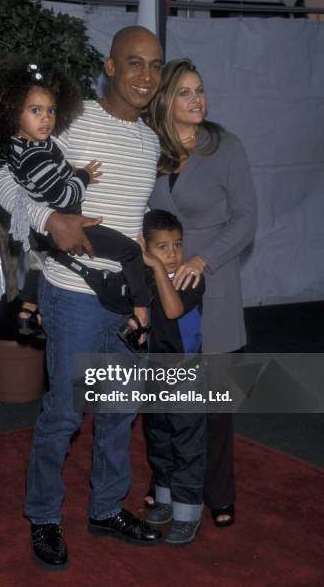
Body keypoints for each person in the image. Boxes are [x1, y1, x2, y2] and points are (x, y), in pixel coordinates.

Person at [0, 26, 164, 570]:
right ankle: (44, 518)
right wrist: (51, 221)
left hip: (124, 301)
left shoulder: (150, 141)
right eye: (134, 63)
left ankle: (106, 508)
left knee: (119, 413)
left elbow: (126, 216)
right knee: (63, 415)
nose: (146, 76)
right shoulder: (72, 119)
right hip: (73, 295)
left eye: (156, 66)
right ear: (109, 67)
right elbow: (2, 181)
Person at [147, 58, 257, 527]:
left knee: (213, 408)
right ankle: (167, 485)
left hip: (213, 287)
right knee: (167, 403)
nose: (198, 100)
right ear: (168, 100)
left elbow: (246, 219)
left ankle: (219, 494)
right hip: (165, 294)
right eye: (187, 92)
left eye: (201, 90)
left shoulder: (224, 146)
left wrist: (201, 259)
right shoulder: (150, 148)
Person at [0, 57, 150, 350]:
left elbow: (48, 167)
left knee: (41, 261)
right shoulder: (40, 151)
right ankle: (142, 313)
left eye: (51, 111)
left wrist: (66, 168)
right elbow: (62, 196)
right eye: (35, 111)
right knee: (130, 252)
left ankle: (28, 312)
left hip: (46, 237)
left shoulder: (25, 146)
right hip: (66, 227)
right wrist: (81, 177)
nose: (46, 118)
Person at [138, 209, 206, 546]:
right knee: (159, 438)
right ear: (145, 247)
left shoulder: (191, 277)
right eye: (162, 247)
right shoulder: (144, 276)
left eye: (177, 245)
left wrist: (156, 268)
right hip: (153, 372)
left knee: (187, 444)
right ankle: (164, 500)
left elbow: (172, 310)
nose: (173, 254)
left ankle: (187, 512)